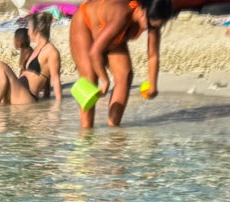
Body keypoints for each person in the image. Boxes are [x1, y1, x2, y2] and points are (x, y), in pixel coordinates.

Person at [70, 0, 171, 129]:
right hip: (86, 24)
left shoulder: (152, 19)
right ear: (143, 12)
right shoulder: (122, 14)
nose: (152, 30)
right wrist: (104, 79)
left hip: (110, 36)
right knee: (90, 80)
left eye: (157, 27)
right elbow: (95, 51)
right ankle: (86, 134)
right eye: (151, 26)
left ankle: (113, 131)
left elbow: (153, 56)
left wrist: (153, 85)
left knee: (125, 75)